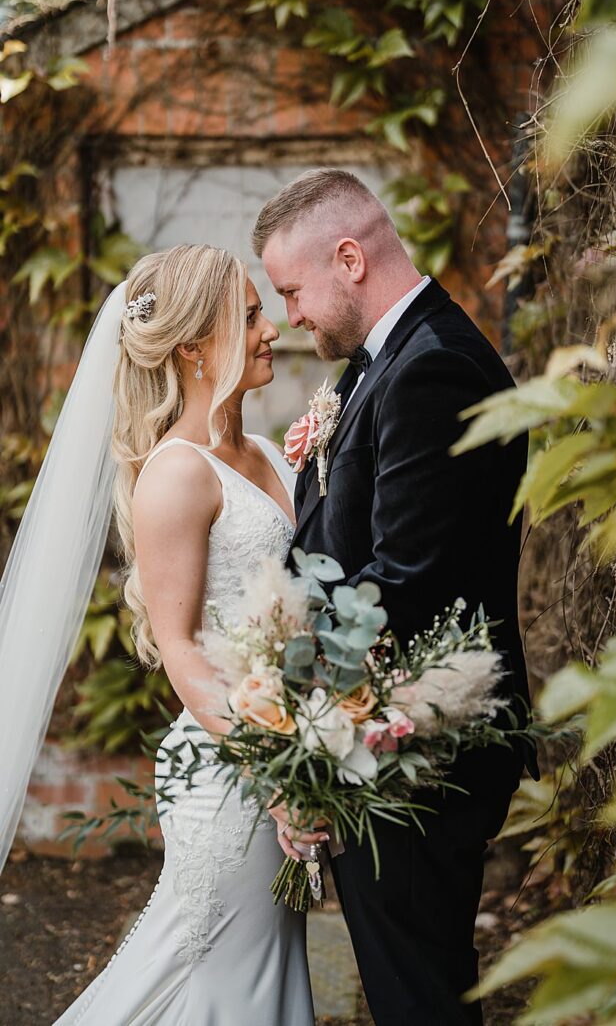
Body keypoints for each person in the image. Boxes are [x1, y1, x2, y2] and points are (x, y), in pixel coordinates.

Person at [254, 168, 536, 1023]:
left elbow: (404, 585)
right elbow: (338, 546)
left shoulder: (431, 370)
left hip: (422, 748)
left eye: (293, 291)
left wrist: (292, 697)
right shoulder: (388, 363)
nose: (291, 316)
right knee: (411, 985)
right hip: (384, 734)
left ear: (349, 258)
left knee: (418, 995)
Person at [39, 244, 313, 1022]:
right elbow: (182, 649)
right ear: (193, 347)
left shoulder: (264, 451)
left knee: (262, 974)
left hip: (286, 751)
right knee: (220, 982)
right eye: (250, 317)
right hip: (233, 772)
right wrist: (279, 775)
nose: (271, 331)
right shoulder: (177, 473)